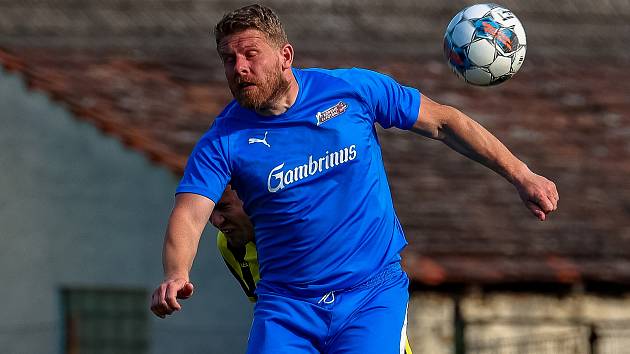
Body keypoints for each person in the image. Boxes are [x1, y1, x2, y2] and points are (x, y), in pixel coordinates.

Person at [150, 4, 559, 353]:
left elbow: (445, 123)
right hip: (288, 307)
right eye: (228, 59)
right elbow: (189, 214)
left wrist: (521, 174)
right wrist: (176, 273)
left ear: (285, 56)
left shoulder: (351, 90)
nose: (239, 68)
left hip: (371, 295)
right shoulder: (223, 139)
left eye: (250, 54)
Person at [211, 185, 414, 353]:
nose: (215, 220)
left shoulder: (314, 220)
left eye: (224, 207)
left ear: (252, 196)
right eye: (210, 210)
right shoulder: (229, 246)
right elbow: (269, 308)